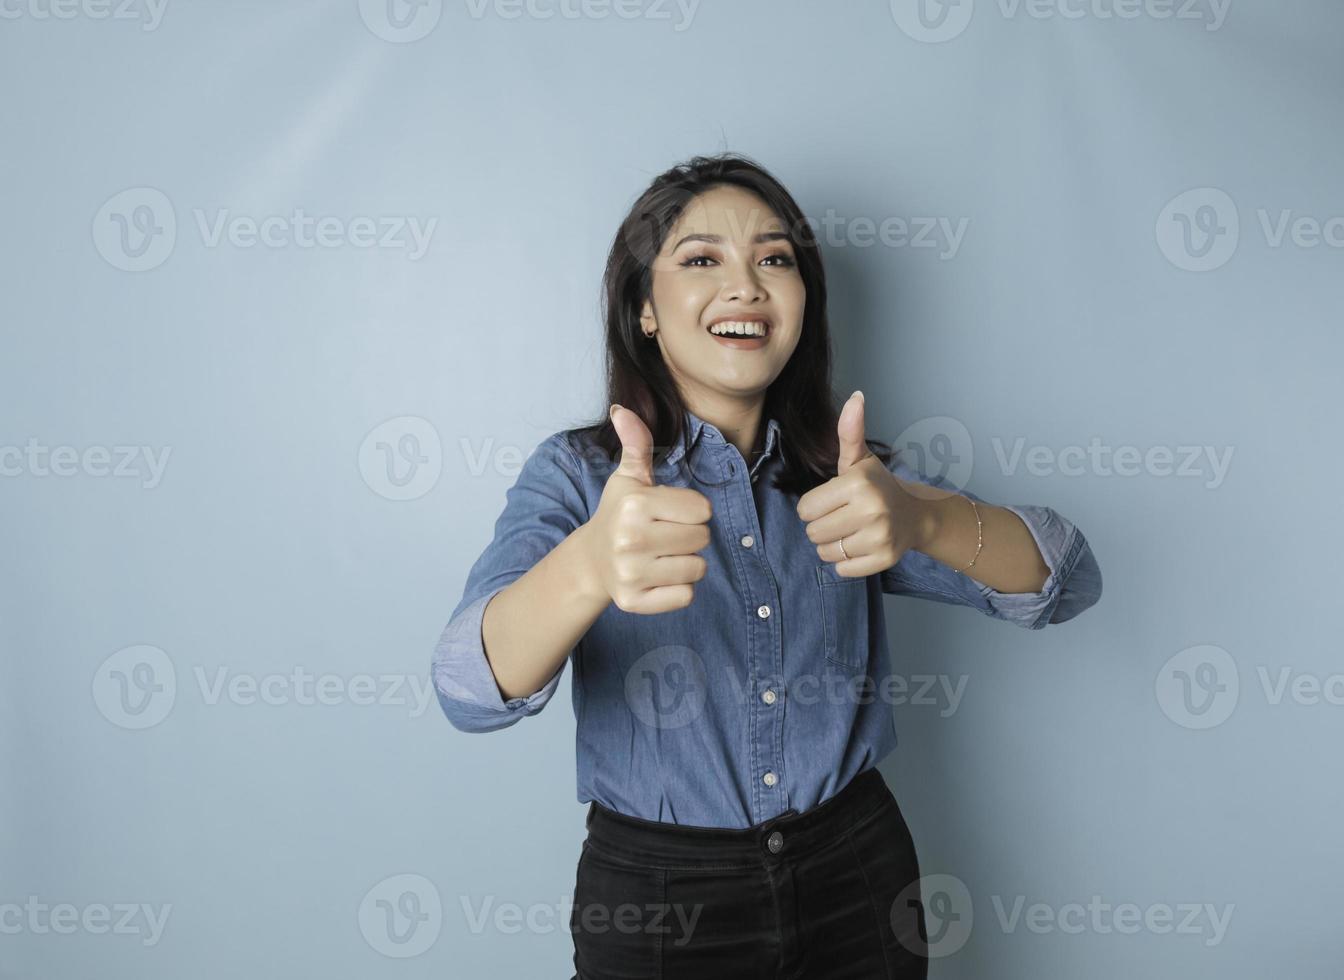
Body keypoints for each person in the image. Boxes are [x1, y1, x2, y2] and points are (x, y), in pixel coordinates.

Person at [430, 152, 1104, 978]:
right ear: (645, 308)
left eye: (775, 259)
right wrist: (588, 567)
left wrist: (920, 518)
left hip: (859, 874)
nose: (746, 285)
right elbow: (465, 689)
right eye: (701, 259)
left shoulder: (848, 481)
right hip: (660, 899)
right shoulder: (578, 476)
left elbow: (1067, 578)